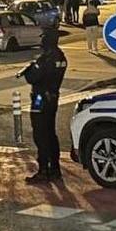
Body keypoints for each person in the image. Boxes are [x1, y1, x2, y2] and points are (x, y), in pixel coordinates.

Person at [20, 28, 67, 183]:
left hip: (40, 98)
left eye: (43, 39)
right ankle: (55, 168)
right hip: (53, 97)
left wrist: (28, 70)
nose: (41, 42)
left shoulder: (46, 59)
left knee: (40, 134)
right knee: (51, 134)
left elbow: (33, 78)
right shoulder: (61, 57)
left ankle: (43, 170)